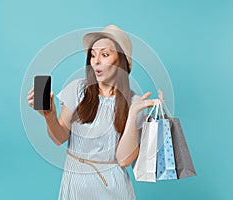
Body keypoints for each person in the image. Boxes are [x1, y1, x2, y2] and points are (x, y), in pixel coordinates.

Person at [27, 24, 158, 200]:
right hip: (76, 187)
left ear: (121, 61)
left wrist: (133, 113)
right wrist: (49, 116)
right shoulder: (77, 90)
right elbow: (59, 138)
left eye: (104, 55)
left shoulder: (135, 103)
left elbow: (125, 160)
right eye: (93, 55)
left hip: (114, 189)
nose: (95, 61)